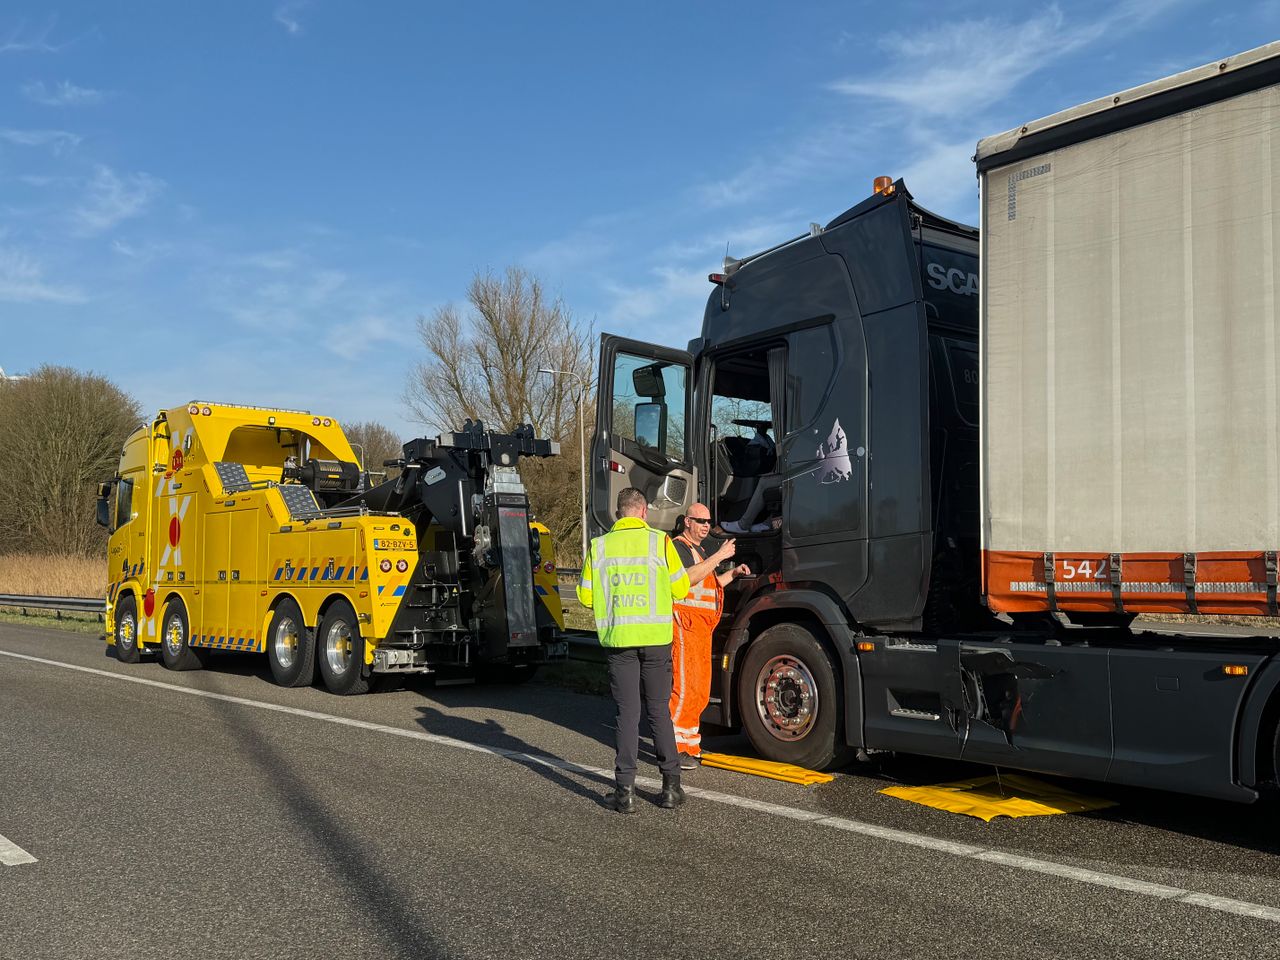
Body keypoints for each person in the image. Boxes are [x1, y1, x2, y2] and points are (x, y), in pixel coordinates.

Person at [577, 487, 691, 814]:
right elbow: (680, 588)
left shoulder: (599, 547)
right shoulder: (660, 542)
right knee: (658, 710)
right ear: (643, 512)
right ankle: (670, 788)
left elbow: (585, 596)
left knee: (627, 713)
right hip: (656, 639)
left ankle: (624, 792)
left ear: (618, 513)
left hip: (619, 642)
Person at [670, 504, 749, 768]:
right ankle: (675, 748)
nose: (706, 525)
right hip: (686, 625)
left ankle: (690, 746)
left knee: (700, 692)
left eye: (708, 521)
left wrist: (733, 573)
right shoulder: (679, 547)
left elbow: (709, 584)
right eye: (700, 520)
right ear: (687, 522)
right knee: (684, 689)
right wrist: (720, 555)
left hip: (701, 629)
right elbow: (687, 579)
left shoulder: (699, 551)